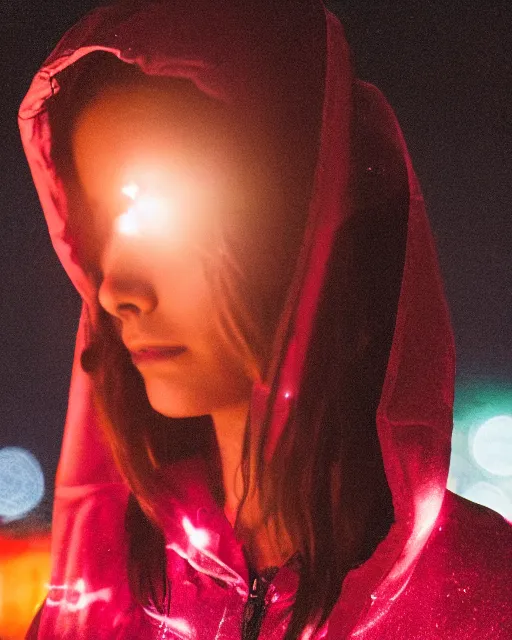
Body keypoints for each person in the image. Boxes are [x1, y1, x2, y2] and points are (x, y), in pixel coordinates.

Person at [19, 1, 511, 638]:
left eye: (164, 218)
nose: (115, 289)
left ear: (306, 217)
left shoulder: (484, 598)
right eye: (100, 223)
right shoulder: (104, 606)